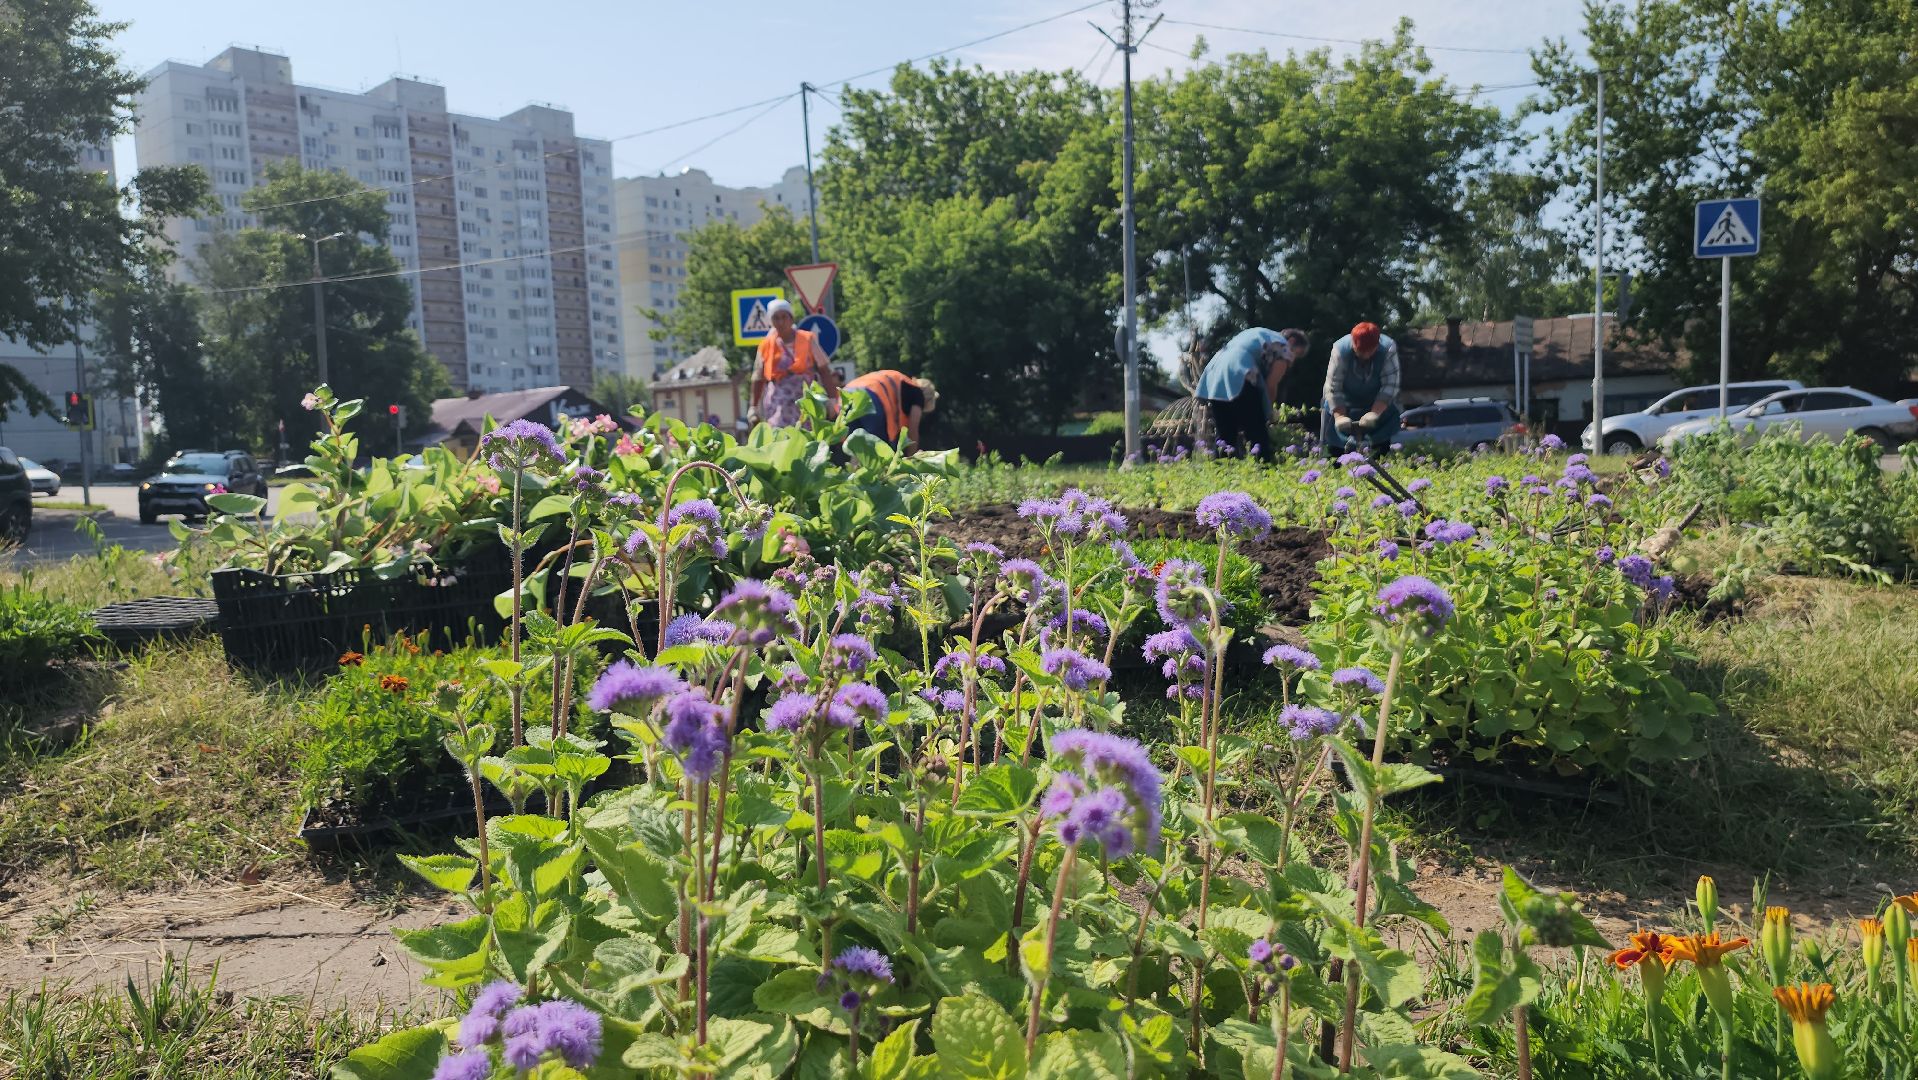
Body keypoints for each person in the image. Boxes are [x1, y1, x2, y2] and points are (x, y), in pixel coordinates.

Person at [1194, 327, 1308, 461]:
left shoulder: (1259, 333)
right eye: (1296, 354)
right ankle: (1263, 468)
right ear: (1292, 341)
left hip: (1215, 373)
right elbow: (1271, 385)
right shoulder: (1283, 346)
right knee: (1257, 434)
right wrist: (1268, 413)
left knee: (1225, 436)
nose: (1293, 360)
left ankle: (1220, 469)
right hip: (1241, 372)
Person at [749, 299, 839, 429]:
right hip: (778, 406)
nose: (781, 322)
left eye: (784, 317)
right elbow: (758, 377)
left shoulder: (807, 340)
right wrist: (753, 407)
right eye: (776, 318)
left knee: (807, 436)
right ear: (771, 321)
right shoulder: (766, 345)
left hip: (806, 403)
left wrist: (832, 400)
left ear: (791, 319)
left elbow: (824, 371)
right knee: (780, 437)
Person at [1321, 321, 1401, 451]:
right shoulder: (1340, 350)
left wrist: (1375, 413)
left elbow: (1390, 385)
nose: (1365, 355)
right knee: (1335, 450)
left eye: (1369, 351)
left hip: (1376, 403)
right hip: (1344, 403)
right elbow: (1333, 386)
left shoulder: (1388, 349)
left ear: (1377, 345)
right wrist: (1340, 416)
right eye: (1360, 351)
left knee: (1380, 451)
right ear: (1353, 343)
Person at [842, 370, 939, 451]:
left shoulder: (900, 379)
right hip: (873, 398)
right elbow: (913, 430)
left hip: (847, 393)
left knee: (858, 450)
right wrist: (912, 458)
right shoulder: (917, 393)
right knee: (876, 453)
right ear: (926, 400)